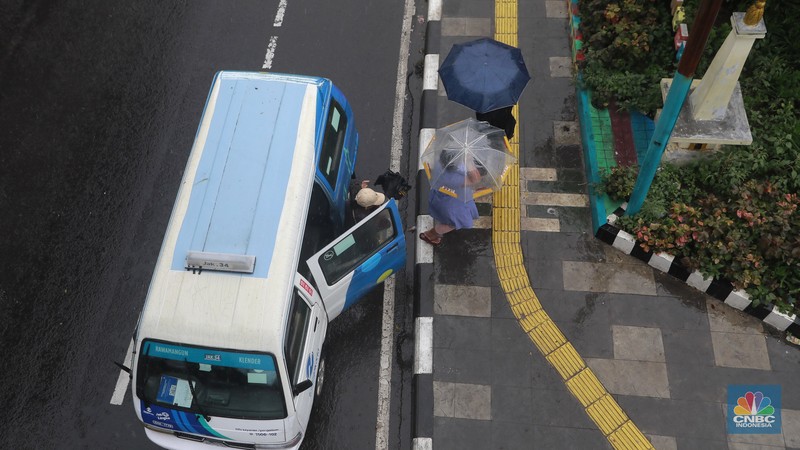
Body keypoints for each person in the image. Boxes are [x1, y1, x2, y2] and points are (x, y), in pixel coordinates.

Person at [419, 151, 482, 246]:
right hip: (450, 204)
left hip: (442, 195)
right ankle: (431, 234)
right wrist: (469, 161)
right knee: (455, 222)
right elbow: (475, 179)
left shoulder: (441, 163)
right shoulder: (452, 178)